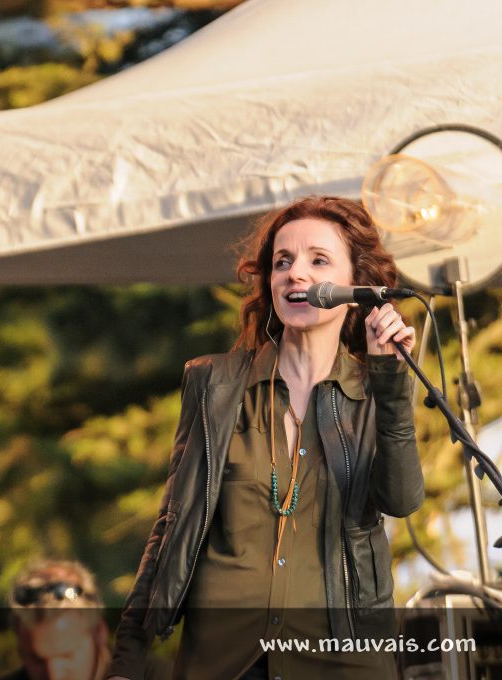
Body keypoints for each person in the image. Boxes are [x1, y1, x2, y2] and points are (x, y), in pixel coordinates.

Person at [107, 196, 424, 680]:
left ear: (357, 287)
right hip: (224, 660)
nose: (295, 273)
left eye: (318, 260)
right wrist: (126, 659)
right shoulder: (214, 383)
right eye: (282, 261)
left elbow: (401, 499)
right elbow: (173, 525)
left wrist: (392, 382)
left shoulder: (376, 391)